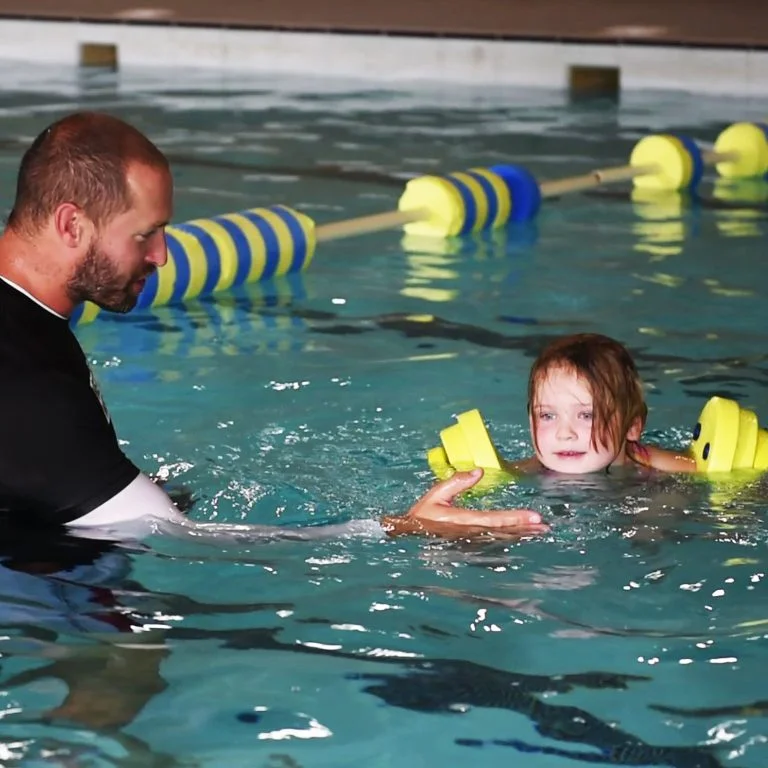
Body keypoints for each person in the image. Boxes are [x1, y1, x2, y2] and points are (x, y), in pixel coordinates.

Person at [0, 111, 546, 541]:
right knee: (126, 660)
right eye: (146, 234)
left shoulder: (30, 330)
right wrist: (400, 529)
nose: (163, 256)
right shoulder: (33, 390)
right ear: (72, 225)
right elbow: (181, 539)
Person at [509, 333, 696, 476]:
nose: (564, 434)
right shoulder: (524, 471)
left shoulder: (666, 472)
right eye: (547, 416)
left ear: (632, 426)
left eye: (587, 415)